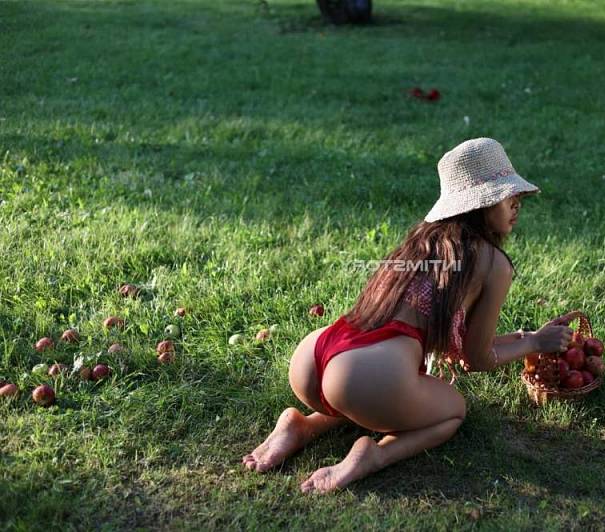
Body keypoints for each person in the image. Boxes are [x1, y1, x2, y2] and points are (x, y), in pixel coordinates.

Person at [242, 137, 574, 494]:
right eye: (507, 196)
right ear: (481, 204)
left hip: (317, 355)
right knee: (454, 410)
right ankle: (374, 456)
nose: (516, 204)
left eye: (518, 197)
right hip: (363, 375)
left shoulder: (422, 242)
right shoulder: (493, 263)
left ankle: (302, 426)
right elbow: (476, 358)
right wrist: (534, 344)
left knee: (369, 390)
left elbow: (458, 345)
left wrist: (525, 338)